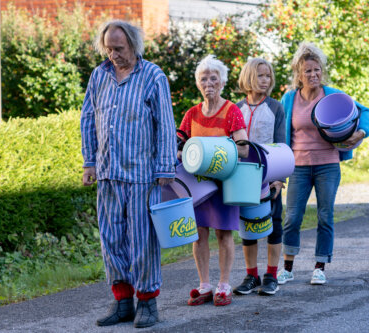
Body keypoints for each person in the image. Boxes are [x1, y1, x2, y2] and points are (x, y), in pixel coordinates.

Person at [80, 20, 177, 329]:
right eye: (108, 48)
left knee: (142, 241)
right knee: (111, 239)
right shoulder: (99, 76)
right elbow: (87, 118)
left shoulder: (153, 76)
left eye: (119, 49)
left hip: (141, 175)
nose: (113, 55)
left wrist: (165, 167)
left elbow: (165, 122)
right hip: (108, 172)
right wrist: (89, 161)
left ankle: (148, 303)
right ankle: (123, 301)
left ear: (134, 46)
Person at [278, 42, 369, 285]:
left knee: (325, 215)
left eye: (317, 70)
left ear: (322, 71)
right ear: (299, 74)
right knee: (292, 217)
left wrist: (359, 133)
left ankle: (320, 266)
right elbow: (280, 132)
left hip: (328, 165)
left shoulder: (332, 95)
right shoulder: (289, 99)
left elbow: (366, 113)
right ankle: (287, 267)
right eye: (308, 71)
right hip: (297, 166)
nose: (313, 75)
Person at [178, 55, 248, 307]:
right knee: (199, 235)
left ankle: (224, 285)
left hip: (223, 183)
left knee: (224, 234)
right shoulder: (192, 114)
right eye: (203, 79)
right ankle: (204, 284)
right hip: (197, 186)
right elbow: (179, 145)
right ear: (198, 84)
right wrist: (182, 153)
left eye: (213, 78)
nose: (208, 83)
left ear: (222, 82)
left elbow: (243, 148)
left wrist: (214, 151)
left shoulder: (232, 111)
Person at [232, 58, 286, 296]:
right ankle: (251, 275)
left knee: (274, 224)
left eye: (268, 76)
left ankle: (271, 275)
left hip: (269, 174)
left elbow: (281, 144)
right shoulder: (236, 108)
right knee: (248, 225)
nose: (265, 80)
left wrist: (279, 177)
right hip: (243, 176)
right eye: (260, 76)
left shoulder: (276, 107)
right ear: (249, 78)